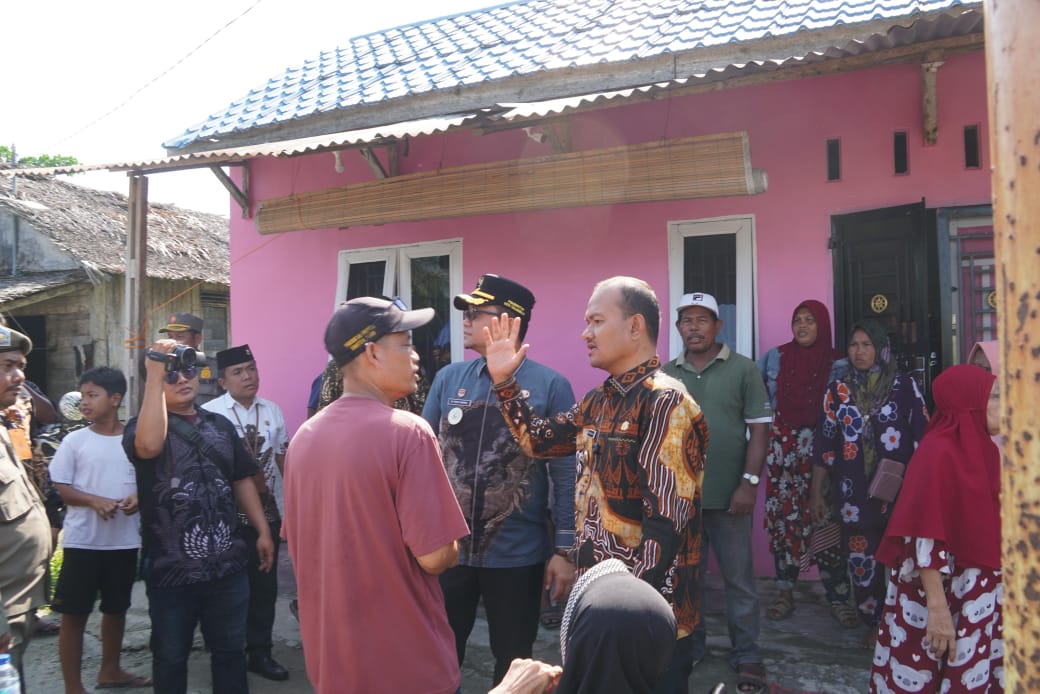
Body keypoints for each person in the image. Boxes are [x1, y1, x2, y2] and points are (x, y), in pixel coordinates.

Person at [484, 276, 708, 694]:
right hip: (602, 614)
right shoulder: (599, 400)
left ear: (635, 326)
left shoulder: (666, 403)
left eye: (596, 321)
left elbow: (665, 529)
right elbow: (537, 441)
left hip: (643, 621)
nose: (585, 333)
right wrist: (504, 381)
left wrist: (618, 616)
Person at [283, 297, 469, 694]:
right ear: (371, 353)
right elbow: (435, 556)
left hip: (334, 667)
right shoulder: (408, 432)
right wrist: (453, 544)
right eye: (405, 344)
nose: (415, 356)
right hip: (408, 668)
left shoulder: (304, 438)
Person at [422, 274, 578, 686]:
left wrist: (565, 548)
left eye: (476, 313)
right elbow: (422, 461)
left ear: (508, 321)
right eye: (467, 313)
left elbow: (566, 474)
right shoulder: (449, 379)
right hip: (449, 550)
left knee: (513, 661)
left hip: (517, 554)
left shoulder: (550, 386)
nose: (466, 320)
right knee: (438, 654)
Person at [123, 339, 274, 694]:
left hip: (227, 565)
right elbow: (147, 447)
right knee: (171, 656)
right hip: (172, 570)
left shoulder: (218, 425)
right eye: (171, 374)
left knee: (230, 654)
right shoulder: (140, 427)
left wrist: (263, 530)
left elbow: (242, 478)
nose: (182, 380)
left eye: (189, 370)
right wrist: (154, 372)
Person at [661, 292, 772, 693]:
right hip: (680, 502)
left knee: (738, 580)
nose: (694, 327)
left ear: (717, 326)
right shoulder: (665, 374)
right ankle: (692, 647)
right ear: (678, 328)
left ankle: (748, 654)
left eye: (702, 320)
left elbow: (760, 429)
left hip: (730, 499)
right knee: (685, 582)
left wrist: (749, 483)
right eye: (686, 320)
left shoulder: (743, 370)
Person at [870, 365, 1002, 693]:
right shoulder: (937, 452)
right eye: (996, 397)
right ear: (971, 402)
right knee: (922, 672)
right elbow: (924, 535)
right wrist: (938, 610)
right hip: (937, 596)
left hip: (974, 595)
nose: (1005, 405)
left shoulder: (985, 449)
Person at [812, 318, 928, 645]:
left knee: (903, 561)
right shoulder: (838, 391)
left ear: (881, 349)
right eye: (854, 345)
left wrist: (921, 489)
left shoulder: (903, 387)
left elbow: (923, 438)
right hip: (853, 496)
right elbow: (825, 442)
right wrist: (817, 493)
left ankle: (903, 623)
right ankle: (874, 623)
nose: (859, 351)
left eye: (867, 345)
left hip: (899, 494)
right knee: (862, 565)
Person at [48, 366, 151, 692]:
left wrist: (138, 497)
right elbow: (61, 487)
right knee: (74, 615)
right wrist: (94, 501)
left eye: (93, 395)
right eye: (83, 396)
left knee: (116, 609)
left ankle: (110, 670)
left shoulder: (134, 442)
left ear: (115, 398)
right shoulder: (75, 441)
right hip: (83, 544)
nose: (85, 403)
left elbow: (147, 482)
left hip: (122, 542)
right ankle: (73, 685)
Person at [756, 300, 857, 627]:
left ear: (822, 325)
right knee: (785, 526)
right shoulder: (775, 358)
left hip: (824, 458)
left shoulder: (839, 363)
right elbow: (754, 398)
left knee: (826, 524)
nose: (801, 326)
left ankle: (839, 597)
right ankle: (784, 591)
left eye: (810, 321)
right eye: (797, 320)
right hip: (783, 458)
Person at [201, 345, 290, 682]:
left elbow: (283, 459)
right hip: (224, 515)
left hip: (267, 511)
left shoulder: (273, 411)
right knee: (224, 586)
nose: (248, 376)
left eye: (251, 368)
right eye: (238, 372)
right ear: (223, 381)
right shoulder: (210, 414)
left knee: (264, 587)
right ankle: (224, 651)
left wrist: (292, 505)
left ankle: (260, 652)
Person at [0, 325, 51, 692]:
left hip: (16, 610)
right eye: (6, 366)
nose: (19, 375)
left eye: (20, 366)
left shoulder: (4, 426)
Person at [157, 313, 218, 403]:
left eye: (180, 337)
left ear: (197, 339)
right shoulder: (162, 367)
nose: (173, 342)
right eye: (170, 337)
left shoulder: (215, 367)